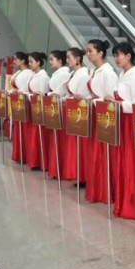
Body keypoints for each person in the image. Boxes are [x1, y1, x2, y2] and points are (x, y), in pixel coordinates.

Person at [104, 43, 135, 219]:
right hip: (122, 121)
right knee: (123, 162)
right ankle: (125, 200)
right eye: (115, 55)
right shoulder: (122, 75)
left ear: (128, 56)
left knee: (133, 162)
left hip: (132, 123)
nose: (116, 58)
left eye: (119, 55)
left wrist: (117, 103)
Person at [84, 39, 118, 204]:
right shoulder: (93, 71)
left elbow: (109, 99)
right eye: (87, 51)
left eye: (90, 51)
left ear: (100, 53)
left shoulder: (108, 73)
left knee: (103, 154)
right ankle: (97, 188)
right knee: (95, 153)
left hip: (104, 117)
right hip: (95, 114)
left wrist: (94, 101)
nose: (88, 54)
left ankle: (105, 190)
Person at [47, 48, 88, 181]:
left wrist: (66, 99)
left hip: (77, 112)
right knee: (69, 144)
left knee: (76, 144)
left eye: (69, 57)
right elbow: (63, 92)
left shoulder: (83, 75)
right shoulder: (72, 74)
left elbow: (81, 96)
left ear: (77, 59)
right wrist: (55, 96)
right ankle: (70, 171)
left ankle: (79, 174)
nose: (67, 60)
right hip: (68, 109)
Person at [25, 52, 50, 170]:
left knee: (39, 136)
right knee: (34, 136)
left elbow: (43, 95)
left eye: (31, 62)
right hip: (33, 106)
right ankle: (34, 160)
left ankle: (41, 162)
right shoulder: (33, 75)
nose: (29, 64)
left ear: (38, 63)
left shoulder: (44, 77)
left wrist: (32, 95)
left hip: (39, 109)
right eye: (29, 61)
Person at [10, 52, 33, 164]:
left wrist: (19, 91)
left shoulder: (29, 73)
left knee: (25, 128)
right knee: (19, 128)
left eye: (16, 59)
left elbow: (27, 89)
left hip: (25, 103)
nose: (14, 61)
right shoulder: (18, 72)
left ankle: (26, 154)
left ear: (23, 61)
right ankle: (19, 153)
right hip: (17, 103)